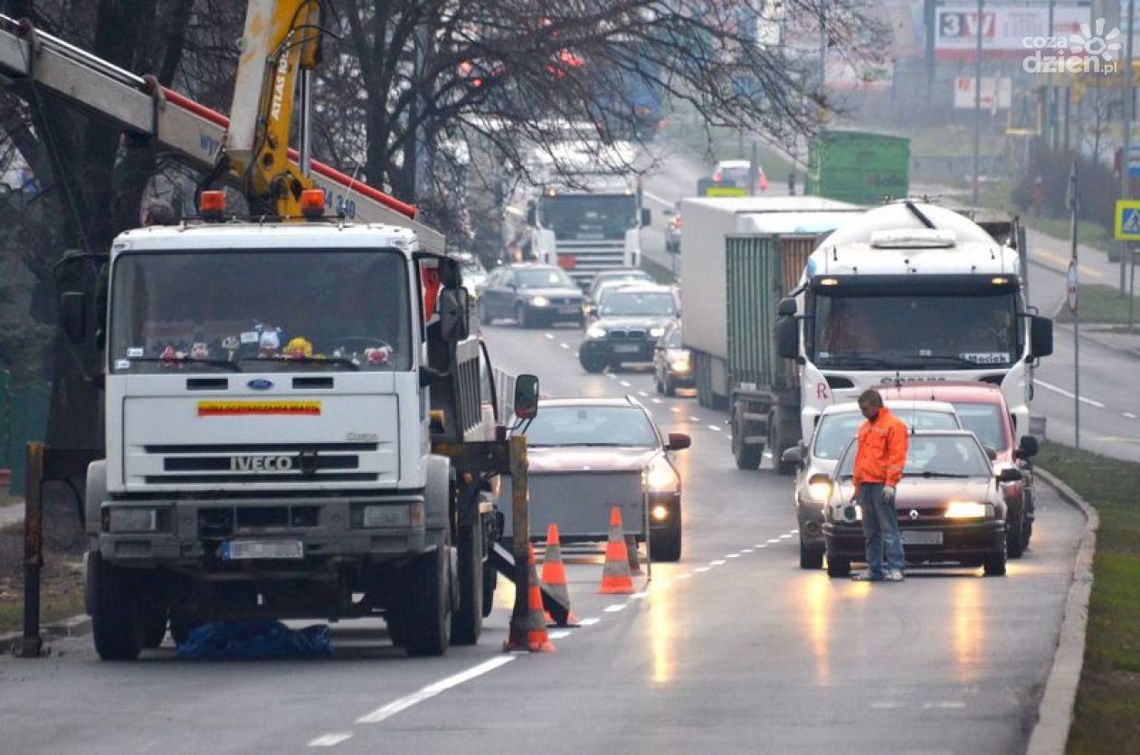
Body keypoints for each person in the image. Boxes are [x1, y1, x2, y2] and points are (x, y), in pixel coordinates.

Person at [850, 388, 909, 582]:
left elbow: (896, 456)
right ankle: (874, 568)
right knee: (871, 532)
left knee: (888, 528)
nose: (863, 412)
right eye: (861, 409)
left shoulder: (894, 425)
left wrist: (891, 483)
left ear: (876, 405)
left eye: (865, 408)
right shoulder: (865, 428)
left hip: (881, 485)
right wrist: (857, 486)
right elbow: (860, 459)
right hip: (866, 485)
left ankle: (896, 567)